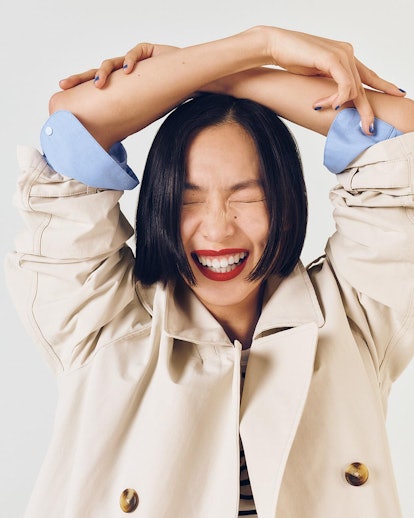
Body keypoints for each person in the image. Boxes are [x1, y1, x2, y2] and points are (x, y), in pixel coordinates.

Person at [6, 25, 414, 517]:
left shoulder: (356, 316)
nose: (218, 230)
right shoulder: (102, 321)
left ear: (285, 196)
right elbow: (73, 122)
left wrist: (226, 77)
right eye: (187, 199)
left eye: (246, 195)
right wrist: (259, 45)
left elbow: (398, 134)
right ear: (158, 204)